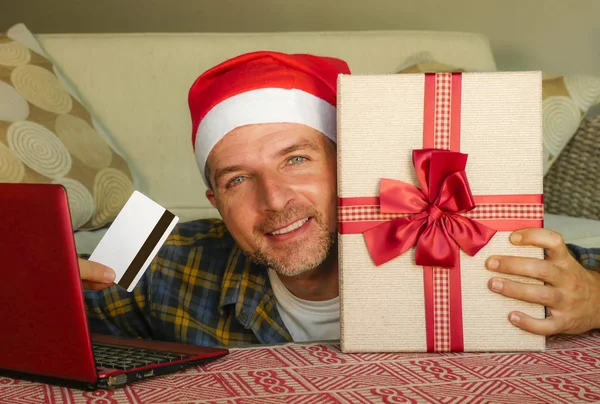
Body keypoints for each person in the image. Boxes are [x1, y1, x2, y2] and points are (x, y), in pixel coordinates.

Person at [80, 51, 600, 347]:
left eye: (297, 159)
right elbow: (48, 311)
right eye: (238, 179)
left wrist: (594, 297)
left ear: (348, 165)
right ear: (213, 200)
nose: (275, 199)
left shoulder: (474, 242)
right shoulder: (156, 250)